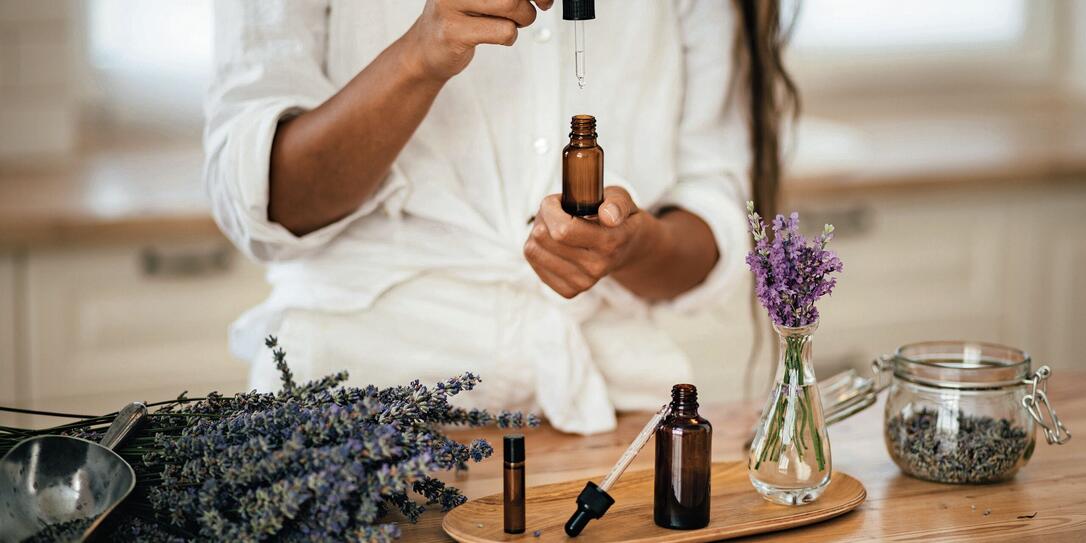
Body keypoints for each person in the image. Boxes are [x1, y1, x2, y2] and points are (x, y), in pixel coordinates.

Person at [205, 0, 795, 434]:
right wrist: (422, 52)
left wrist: (632, 247)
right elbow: (268, 202)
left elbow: (715, 214)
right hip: (354, 401)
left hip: (606, 406)